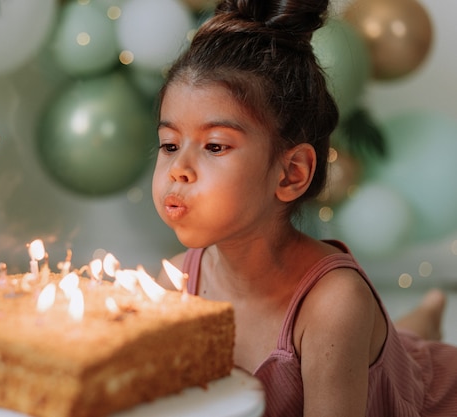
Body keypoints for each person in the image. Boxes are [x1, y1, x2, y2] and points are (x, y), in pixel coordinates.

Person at [152, 0, 457, 415]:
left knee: (415, 366)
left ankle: (428, 315)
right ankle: (426, 314)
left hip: (433, 400)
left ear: (291, 173)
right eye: (169, 144)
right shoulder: (171, 288)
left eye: (215, 146)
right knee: (404, 343)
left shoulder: (333, 304)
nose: (178, 170)